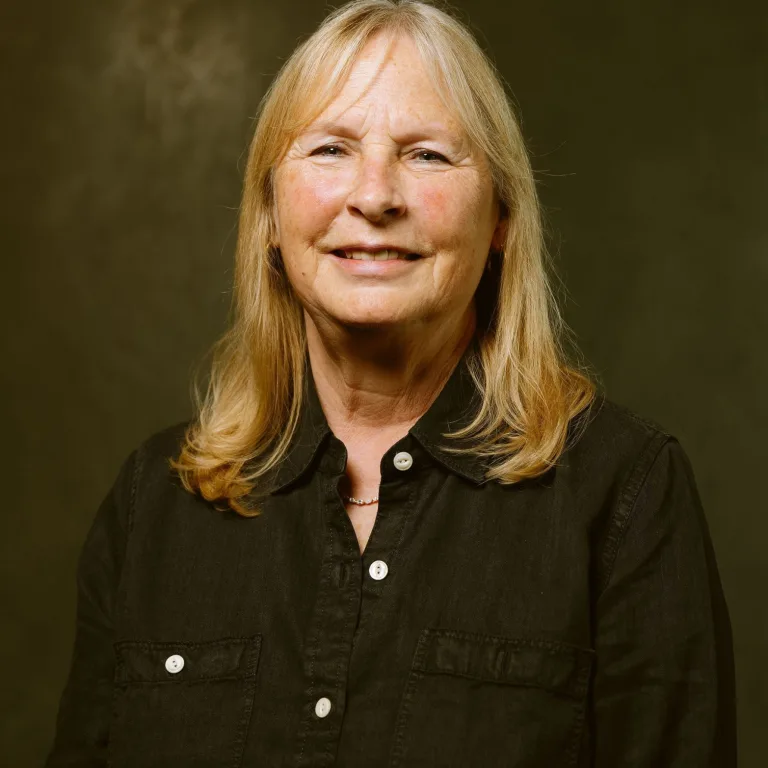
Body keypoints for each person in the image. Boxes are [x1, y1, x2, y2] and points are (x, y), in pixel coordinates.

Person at [45, 1, 737, 766]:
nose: (374, 196)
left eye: (428, 156)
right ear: (270, 210)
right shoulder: (155, 507)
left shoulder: (626, 495)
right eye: (331, 149)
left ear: (502, 215)